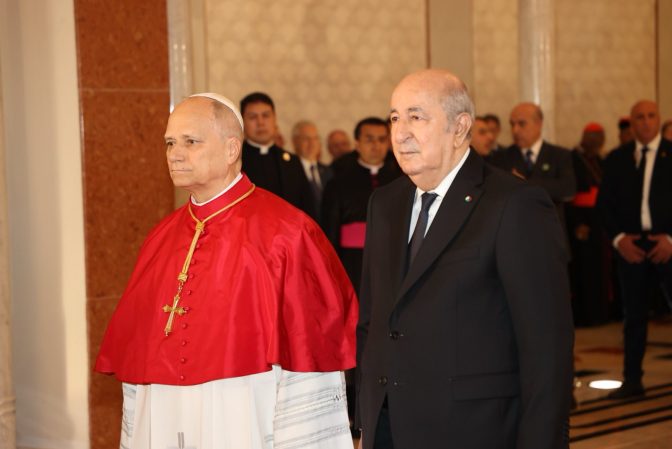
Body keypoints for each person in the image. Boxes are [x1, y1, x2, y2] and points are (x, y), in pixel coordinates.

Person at [95, 93, 357, 449]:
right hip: (166, 411)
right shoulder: (160, 237)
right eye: (170, 142)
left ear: (232, 149)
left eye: (191, 141)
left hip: (243, 410)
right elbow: (136, 360)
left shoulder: (288, 233)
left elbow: (308, 358)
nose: (175, 154)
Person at [356, 69, 574, 449]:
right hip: (389, 427)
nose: (400, 133)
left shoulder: (513, 204)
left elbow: (546, 348)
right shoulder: (384, 204)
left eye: (416, 117)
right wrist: (366, 415)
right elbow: (373, 318)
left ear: (459, 128)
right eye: (394, 117)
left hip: (473, 430)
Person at [596, 100, 672, 399]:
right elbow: (605, 205)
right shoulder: (617, 158)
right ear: (632, 122)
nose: (645, 122)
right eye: (639, 117)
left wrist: (671, 240)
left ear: (658, 119)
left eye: (651, 116)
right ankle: (632, 380)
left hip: (667, 244)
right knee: (634, 316)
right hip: (632, 246)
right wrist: (619, 240)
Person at [322, 117, 401, 291]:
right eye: (369, 139)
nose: (376, 145)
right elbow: (330, 233)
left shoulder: (402, 182)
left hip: (392, 262)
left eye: (382, 140)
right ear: (357, 144)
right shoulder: (338, 182)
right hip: (352, 264)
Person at [489, 102, 576, 222]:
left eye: (521, 123)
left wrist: (526, 183)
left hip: (549, 226)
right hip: (515, 226)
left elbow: (568, 189)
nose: (515, 130)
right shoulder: (501, 157)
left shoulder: (559, 155)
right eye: (512, 124)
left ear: (538, 124)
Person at [239, 92, 316, 218]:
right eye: (253, 117)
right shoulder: (235, 161)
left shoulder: (292, 162)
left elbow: (307, 210)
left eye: (266, 116)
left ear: (275, 119)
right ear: (242, 122)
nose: (260, 123)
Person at [567, 122, 611, 326]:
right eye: (593, 137)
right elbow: (571, 195)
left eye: (599, 137)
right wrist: (578, 223)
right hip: (581, 221)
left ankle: (600, 314)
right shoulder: (573, 158)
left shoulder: (600, 160)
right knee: (583, 270)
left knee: (600, 270)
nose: (597, 141)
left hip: (599, 221)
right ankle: (585, 316)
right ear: (585, 137)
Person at [292, 120, 333, 217]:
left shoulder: (328, 171)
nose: (312, 143)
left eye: (315, 138)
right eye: (306, 139)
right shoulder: (290, 171)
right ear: (295, 142)